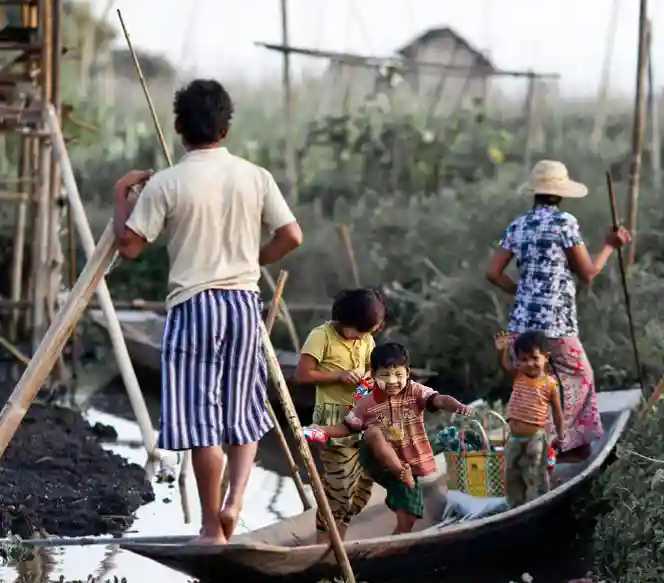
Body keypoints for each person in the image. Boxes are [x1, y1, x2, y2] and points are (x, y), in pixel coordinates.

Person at [112, 79, 303, 545]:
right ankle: (235, 500)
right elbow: (291, 236)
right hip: (242, 304)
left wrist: (122, 194)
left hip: (194, 306)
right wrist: (251, 260)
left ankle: (211, 528)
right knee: (244, 411)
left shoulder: (167, 183)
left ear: (179, 126)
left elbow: (130, 246)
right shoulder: (255, 175)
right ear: (226, 127)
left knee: (203, 424)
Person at [485, 159, 631, 462]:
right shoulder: (564, 223)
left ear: (535, 193)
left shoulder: (519, 225)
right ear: (561, 193)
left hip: (521, 326)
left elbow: (493, 273)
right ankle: (559, 446)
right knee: (581, 377)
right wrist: (609, 245)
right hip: (555, 326)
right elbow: (588, 273)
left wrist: (522, 292)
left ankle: (541, 447)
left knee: (536, 383)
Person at [318, 342, 474, 535]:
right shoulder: (367, 403)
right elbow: (347, 427)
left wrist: (458, 406)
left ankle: (394, 543)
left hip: (408, 460)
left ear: (407, 373)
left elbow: (439, 399)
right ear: (374, 375)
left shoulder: (416, 391)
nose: (392, 381)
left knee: (409, 517)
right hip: (377, 458)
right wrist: (320, 431)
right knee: (373, 432)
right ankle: (400, 471)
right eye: (385, 376)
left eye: (398, 375)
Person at [295, 289, 386, 539]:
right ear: (344, 321)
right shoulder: (321, 336)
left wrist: (369, 377)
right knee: (340, 489)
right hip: (332, 421)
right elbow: (302, 375)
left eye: (369, 332)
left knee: (363, 486)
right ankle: (325, 546)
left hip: (362, 417)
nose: (363, 336)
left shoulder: (365, 339)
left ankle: (339, 539)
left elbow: (372, 368)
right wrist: (338, 376)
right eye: (359, 331)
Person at [495, 330, 564, 506]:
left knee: (535, 474)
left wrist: (561, 436)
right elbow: (505, 365)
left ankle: (539, 504)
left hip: (535, 439)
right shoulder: (518, 375)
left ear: (545, 357)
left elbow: (557, 412)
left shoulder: (549, 384)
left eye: (534, 358)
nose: (529, 364)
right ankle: (515, 506)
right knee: (511, 473)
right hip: (514, 439)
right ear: (518, 361)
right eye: (523, 359)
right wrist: (502, 349)